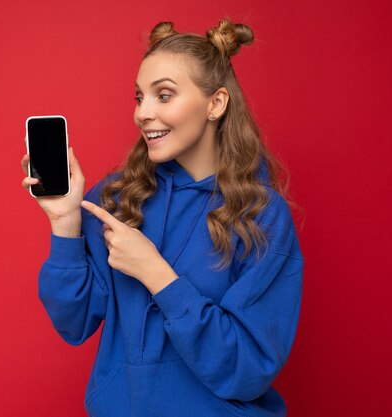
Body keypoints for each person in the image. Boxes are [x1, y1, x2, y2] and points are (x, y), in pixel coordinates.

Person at [20, 18, 304, 417]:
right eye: (139, 98)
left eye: (163, 96)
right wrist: (65, 222)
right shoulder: (119, 198)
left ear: (216, 104)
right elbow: (74, 323)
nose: (143, 114)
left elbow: (248, 370)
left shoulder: (261, 216)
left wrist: (156, 274)